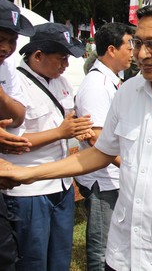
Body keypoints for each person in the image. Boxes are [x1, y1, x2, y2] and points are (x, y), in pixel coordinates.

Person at [0, 3, 152, 271]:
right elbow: (100, 153)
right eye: (137, 43)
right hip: (123, 252)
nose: (141, 54)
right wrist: (29, 174)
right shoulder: (127, 93)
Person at [2, 22, 94, 271]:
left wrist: (78, 127)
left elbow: (68, 118)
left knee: (59, 256)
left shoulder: (60, 82)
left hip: (61, 184)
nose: (65, 65)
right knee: (32, 259)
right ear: (38, 55)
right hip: (29, 188)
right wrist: (60, 132)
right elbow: (12, 144)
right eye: (61, 58)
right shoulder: (14, 85)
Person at [74, 22, 134, 271]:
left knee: (115, 245)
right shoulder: (97, 85)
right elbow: (95, 138)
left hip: (114, 175)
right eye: (129, 46)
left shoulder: (111, 81)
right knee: (102, 250)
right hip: (103, 179)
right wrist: (130, 165)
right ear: (111, 49)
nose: (134, 51)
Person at [0, 0, 35, 271]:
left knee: (6, 254)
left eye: (11, 40)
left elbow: (16, 117)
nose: (6, 48)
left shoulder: (6, 67)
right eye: (0, 38)